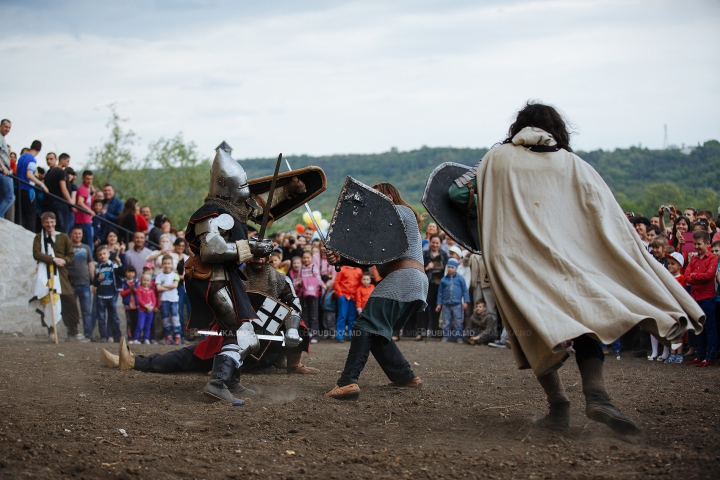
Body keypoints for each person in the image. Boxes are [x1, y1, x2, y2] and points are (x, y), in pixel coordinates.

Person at [454, 102, 704, 435]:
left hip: (518, 260)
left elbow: (456, 193)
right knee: (584, 320)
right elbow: (604, 216)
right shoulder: (575, 164)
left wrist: (482, 199)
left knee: (530, 329)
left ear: (518, 127)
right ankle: (597, 395)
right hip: (569, 259)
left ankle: (558, 406)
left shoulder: (496, 158)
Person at [100, 256, 317, 392]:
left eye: (263, 257)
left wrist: (290, 330)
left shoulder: (279, 280)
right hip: (231, 338)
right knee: (187, 357)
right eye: (255, 256)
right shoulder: (236, 277)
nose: (259, 261)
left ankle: (289, 364)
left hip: (262, 349)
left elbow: (294, 307)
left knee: (295, 327)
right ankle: (134, 362)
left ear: (269, 257)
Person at [183, 148, 276, 403]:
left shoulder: (231, 211)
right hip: (214, 279)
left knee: (242, 333)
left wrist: (288, 191)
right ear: (227, 186)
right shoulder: (212, 213)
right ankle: (218, 383)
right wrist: (252, 248)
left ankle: (232, 381)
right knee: (239, 331)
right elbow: (212, 250)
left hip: (226, 278)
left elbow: (259, 210)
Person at [324, 182, 428, 400]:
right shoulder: (391, 223)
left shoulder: (401, 212)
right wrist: (340, 258)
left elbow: (367, 244)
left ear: (389, 196)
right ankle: (405, 376)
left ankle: (347, 382)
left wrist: (343, 249)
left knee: (364, 325)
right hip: (410, 279)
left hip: (404, 277)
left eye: (377, 197)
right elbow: (369, 256)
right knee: (377, 333)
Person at [33, 212, 84, 341]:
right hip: (46, 273)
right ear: (43, 223)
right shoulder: (39, 237)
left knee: (69, 301)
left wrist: (64, 261)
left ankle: (73, 331)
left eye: (51, 222)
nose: (49, 224)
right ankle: (51, 330)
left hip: (61, 273)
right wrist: (53, 259)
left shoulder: (64, 237)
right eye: (46, 222)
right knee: (49, 300)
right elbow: (37, 253)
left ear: (55, 222)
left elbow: (70, 254)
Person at [685, 231, 718, 367]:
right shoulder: (693, 259)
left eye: (699, 244)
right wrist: (697, 276)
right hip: (695, 297)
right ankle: (702, 355)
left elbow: (709, 276)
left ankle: (710, 357)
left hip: (707, 298)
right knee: (699, 328)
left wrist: (694, 276)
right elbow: (687, 277)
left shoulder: (712, 259)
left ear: (707, 244)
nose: (696, 247)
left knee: (710, 328)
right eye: (695, 244)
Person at [67, 226, 95, 341]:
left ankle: (88, 334)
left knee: (86, 311)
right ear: (71, 234)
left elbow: (91, 264)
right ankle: (71, 333)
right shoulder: (67, 248)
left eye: (79, 233)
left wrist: (94, 281)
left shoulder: (86, 248)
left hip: (84, 283)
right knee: (71, 310)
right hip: (70, 284)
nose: (77, 235)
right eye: (75, 233)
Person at [93, 245, 124, 343]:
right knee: (101, 317)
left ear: (108, 254)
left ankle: (117, 336)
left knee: (114, 317)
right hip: (101, 295)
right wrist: (98, 279)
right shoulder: (98, 267)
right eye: (100, 255)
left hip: (112, 295)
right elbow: (94, 282)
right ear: (98, 256)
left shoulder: (113, 265)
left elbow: (122, 274)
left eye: (104, 254)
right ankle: (104, 336)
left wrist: (119, 264)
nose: (102, 256)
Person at [419, 234, 448, 340]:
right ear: (429, 242)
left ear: (440, 244)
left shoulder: (444, 255)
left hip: (440, 286)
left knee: (437, 308)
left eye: (437, 243)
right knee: (424, 308)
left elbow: (447, 270)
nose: (435, 245)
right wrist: (427, 267)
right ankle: (422, 332)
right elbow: (419, 269)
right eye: (433, 242)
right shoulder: (424, 254)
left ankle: (436, 332)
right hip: (428, 284)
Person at [436, 257, 470, 343]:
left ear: (456, 268)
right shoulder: (443, 280)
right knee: (446, 321)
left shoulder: (460, 279)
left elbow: (465, 290)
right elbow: (440, 293)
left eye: (452, 267)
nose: (450, 269)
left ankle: (458, 337)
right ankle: (446, 336)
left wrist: (466, 301)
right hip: (446, 304)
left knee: (458, 321)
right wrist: (439, 304)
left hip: (457, 304)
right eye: (449, 267)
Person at [17, 140, 47, 231]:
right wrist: (41, 184)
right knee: (30, 216)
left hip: (18, 188)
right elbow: (29, 175)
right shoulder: (32, 160)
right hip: (27, 189)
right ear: (39, 150)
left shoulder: (22, 157)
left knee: (21, 215)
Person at [297, 250, 324, 343]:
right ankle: (307, 335)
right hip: (304, 295)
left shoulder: (314, 267)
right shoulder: (301, 269)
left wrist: (324, 286)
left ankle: (315, 335)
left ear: (311, 258)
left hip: (313, 296)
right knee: (305, 315)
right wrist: (298, 283)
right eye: (304, 258)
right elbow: (297, 281)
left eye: (308, 257)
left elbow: (318, 279)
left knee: (314, 316)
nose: (306, 259)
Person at [43, 153, 74, 234]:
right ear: (62, 160)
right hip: (60, 202)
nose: (68, 163)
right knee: (63, 229)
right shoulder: (61, 172)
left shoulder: (49, 173)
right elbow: (63, 188)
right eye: (67, 161)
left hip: (50, 203)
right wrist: (70, 202)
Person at [333, 264, 363, 342]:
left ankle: (351, 335)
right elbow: (336, 282)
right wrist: (340, 295)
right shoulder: (342, 269)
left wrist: (358, 295)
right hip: (343, 296)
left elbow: (360, 284)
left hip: (353, 297)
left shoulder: (359, 270)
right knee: (342, 316)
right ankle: (339, 336)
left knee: (352, 318)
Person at [155, 255, 181, 345]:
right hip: (164, 300)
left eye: (169, 263)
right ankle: (167, 337)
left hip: (174, 299)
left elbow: (175, 285)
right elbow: (158, 288)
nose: (167, 265)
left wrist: (163, 286)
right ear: (162, 264)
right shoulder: (159, 276)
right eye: (165, 263)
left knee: (175, 318)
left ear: (172, 264)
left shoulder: (175, 275)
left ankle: (177, 336)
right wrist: (169, 287)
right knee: (165, 319)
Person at [120, 265, 140, 342]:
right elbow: (122, 293)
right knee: (129, 322)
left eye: (132, 272)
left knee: (136, 321)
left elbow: (139, 292)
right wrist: (129, 290)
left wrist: (133, 289)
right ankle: (130, 338)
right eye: (128, 272)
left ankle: (136, 338)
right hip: (128, 306)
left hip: (137, 306)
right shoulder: (123, 282)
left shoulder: (137, 281)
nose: (130, 274)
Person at [0, 119, 15, 219]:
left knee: (3, 197)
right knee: (10, 197)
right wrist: (3, 167)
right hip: (2, 171)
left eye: (9, 127)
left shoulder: (3, 138)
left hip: (5, 170)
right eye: (5, 127)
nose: (7, 129)